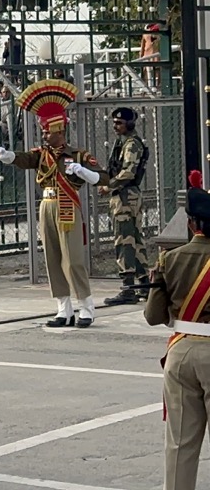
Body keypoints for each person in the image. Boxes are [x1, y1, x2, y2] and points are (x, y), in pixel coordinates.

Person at [0, 79, 108, 327]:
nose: (44, 135)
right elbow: (23, 159)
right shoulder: (41, 154)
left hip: (68, 206)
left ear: (60, 131)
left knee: (73, 258)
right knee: (53, 258)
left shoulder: (77, 155)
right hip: (46, 206)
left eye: (47, 131)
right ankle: (63, 308)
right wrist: (7, 156)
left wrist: (83, 172)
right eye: (43, 131)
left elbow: (103, 177)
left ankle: (86, 306)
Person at [144, 173, 210, 490]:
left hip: (181, 352)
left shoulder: (169, 259)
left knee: (180, 444)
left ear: (190, 224)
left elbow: (154, 316)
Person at [102, 107, 151, 306]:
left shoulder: (131, 145)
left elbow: (129, 173)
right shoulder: (123, 143)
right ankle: (144, 284)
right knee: (135, 239)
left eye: (119, 123)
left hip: (125, 196)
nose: (115, 126)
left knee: (124, 240)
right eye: (114, 122)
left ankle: (128, 287)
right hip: (125, 195)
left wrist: (109, 185)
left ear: (129, 124)